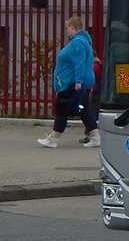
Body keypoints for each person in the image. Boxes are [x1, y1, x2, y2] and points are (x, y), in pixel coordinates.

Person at [37, 15, 100, 148]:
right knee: (83, 110)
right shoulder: (84, 41)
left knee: (62, 108)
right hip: (77, 83)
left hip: (71, 83)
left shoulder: (77, 42)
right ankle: (95, 136)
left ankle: (53, 139)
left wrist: (78, 81)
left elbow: (79, 63)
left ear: (72, 27)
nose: (67, 31)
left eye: (67, 28)